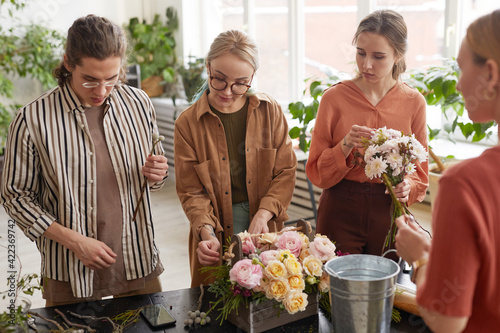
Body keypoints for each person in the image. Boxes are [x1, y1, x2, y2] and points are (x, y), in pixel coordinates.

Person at [0, 15, 169, 306]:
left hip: (136, 256)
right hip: (68, 267)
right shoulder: (32, 120)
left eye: (111, 80)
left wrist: (157, 174)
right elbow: (15, 197)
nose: (101, 92)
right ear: (68, 63)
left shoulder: (140, 103)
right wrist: (75, 241)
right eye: (90, 80)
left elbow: (153, 180)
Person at [395, 10, 500, 333]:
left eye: (460, 66)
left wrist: (421, 260)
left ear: (491, 75)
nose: (456, 81)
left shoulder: (467, 183)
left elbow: (446, 321)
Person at [174, 30, 297, 287]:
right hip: (215, 226)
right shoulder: (187, 123)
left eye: (241, 83)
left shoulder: (270, 111)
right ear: (207, 68)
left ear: (252, 77)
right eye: (219, 79)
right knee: (216, 308)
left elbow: (285, 171)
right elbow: (191, 192)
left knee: (268, 296)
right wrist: (206, 232)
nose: (228, 92)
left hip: (263, 224)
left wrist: (264, 214)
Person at [305, 9, 428, 256]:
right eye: (361, 53)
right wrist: (345, 145)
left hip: (389, 213)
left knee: (386, 292)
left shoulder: (414, 102)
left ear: (398, 55)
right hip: (340, 210)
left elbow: (420, 174)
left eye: (378, 56)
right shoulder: (334, 98)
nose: (366, 64)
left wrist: (407, 186)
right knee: (335, 291)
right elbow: (317, 172)